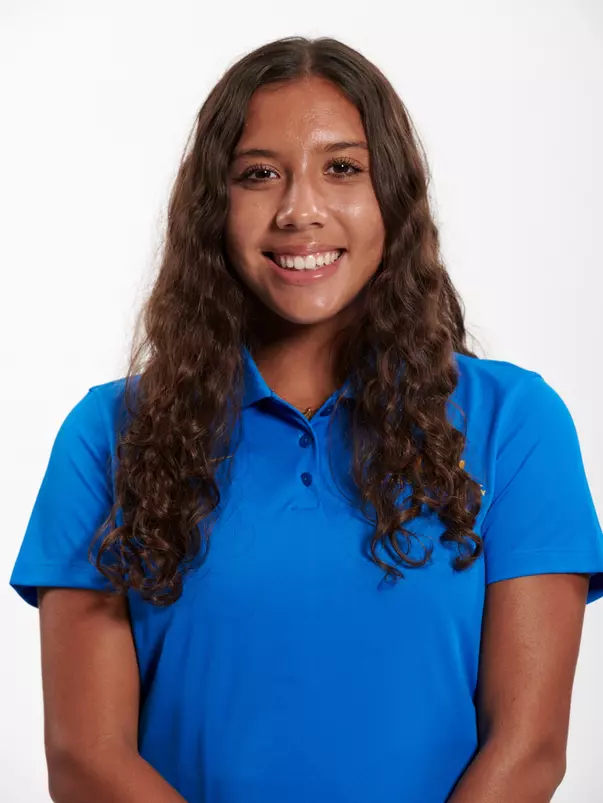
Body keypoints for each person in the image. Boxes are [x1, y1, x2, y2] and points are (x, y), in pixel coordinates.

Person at [9, 35, 603, 803]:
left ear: (391, 194)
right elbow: (85, 758)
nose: (300, 209)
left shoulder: (514, 425)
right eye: (258, 174)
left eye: (342, 168)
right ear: (213, 207)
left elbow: (525, 750)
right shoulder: (108, 435)